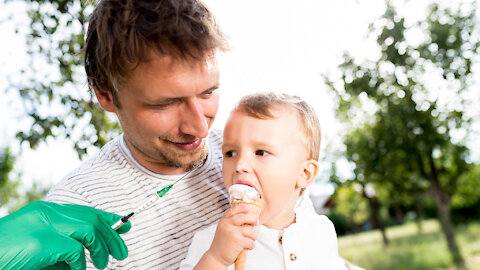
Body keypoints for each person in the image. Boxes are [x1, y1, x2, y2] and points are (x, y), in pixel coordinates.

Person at [0, 0, 317, 269]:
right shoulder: (76, 213)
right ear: (107, 96)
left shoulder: (247, 151)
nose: (199, 127)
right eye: (166, 103)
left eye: (208, 93)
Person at [179, 92, 347, 269]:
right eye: (230, 153)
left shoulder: (321, 230)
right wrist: (217, 259)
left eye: (261, 152)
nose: (240, 165)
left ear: (305, 173)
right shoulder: (212, 242)